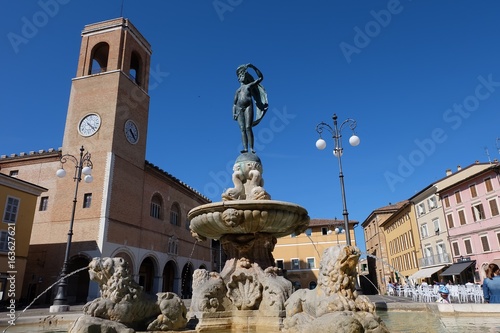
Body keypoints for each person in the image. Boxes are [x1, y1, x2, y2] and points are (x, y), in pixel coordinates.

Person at [233, 63, 268, 153]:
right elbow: (234, 103)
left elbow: (261, 78)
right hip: (239, 109)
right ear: (238, 79)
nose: (242, 77)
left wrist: (253, 67)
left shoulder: (249, 86)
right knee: (242, 129)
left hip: (248, 106)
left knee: (248, 127)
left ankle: (251, 148)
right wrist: (233, 113)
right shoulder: (237, 91)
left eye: (243, 75)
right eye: (240, 76)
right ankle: (245, 148)